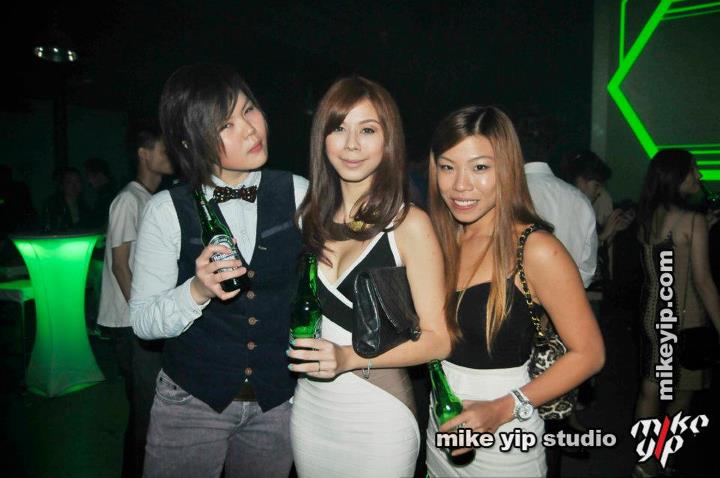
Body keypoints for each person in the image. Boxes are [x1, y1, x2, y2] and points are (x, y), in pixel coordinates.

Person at [129, 64, 308, 478]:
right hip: (190, 403)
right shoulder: (165, 210)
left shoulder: (299, 192)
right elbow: (142, 322)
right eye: (226, 124)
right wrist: (196, 290)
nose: (250, 129)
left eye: (249, 109)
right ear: (189, 140)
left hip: (276, 404)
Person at [424, 106, 605, 477]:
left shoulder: (536, 248)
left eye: (479, 167)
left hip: (505, 438)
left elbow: (589, 354)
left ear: (507, 168)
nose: (460, 185)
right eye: (447, 167)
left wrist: (503, 408)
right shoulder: (446, 238)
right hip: (441, 426)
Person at [288, 76, 451, 478]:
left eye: (367, 130)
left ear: (388, 140)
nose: (351, 145)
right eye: (339, 128)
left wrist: (347, 357)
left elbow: (438, 339)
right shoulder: (308, 219)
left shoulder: (409, 224)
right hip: (310, 411)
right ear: (322, 138)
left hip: (379, 413)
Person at [633, 149, 720, 477]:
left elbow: (668, 256)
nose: (699, 175)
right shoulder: (692, 220)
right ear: (676, 176)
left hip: (652, 314)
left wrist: (701, 231)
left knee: (650, 390)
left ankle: (644, 462)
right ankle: (662, 456)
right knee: (682, 396)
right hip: (685, 320)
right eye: (693, 170)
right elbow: (703, 282)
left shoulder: (647, 217)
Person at [97, 123, 173, 477]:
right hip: (131, 323)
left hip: (141, 321)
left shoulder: (151, 199)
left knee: (149, 410)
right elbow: (120, 265)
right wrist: (145, 318)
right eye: (163, 149)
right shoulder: (128, 199)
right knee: (146, 411)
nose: (170, 155)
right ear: (144, 154)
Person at [40, 166, 90, 232]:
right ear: (62, 185)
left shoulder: (84, 206)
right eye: (69, 182)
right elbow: (48, 228)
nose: (74, 186)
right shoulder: (52, 204)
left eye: (77, 181)